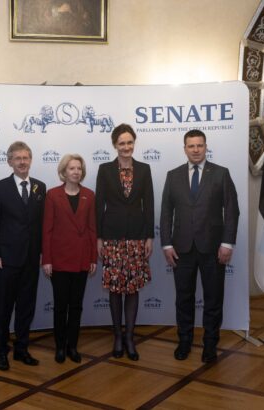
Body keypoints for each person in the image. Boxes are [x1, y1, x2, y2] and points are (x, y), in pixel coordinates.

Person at [160, 129, 239, 363]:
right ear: (184, 148)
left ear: (206, 147)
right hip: (181, 249)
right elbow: (165, 213)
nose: (196, 150)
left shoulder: (221, 174)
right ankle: (184, 342)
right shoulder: (173, 176)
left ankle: (210, 345)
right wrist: (166, 244)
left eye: (200, 145)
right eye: (191, 146)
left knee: (213, 299)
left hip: (213, 250)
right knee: (183, 299)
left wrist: (227, 243)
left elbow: (232, 210)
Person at [0, 141, 46, 371]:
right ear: (9, 161)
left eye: (26, 158)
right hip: (7, 260)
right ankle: (1, 351)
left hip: (31, 259)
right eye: (18, 158)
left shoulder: (41, 187)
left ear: (30, 160)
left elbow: (41, 225)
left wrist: (42, 253)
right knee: (4, 308)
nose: (22, 162)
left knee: (26, 307)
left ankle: (21, 349)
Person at [96, 123, 154, 361]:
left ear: (134, 143)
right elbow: (99, 204)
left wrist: (149, 236)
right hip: (112, 238)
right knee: (114, 289)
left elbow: (149, 204)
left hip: (137, 237)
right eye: (122, 143)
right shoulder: (105, 169)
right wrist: (98, 238)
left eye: (130, 142)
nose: (126, 147)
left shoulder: (144, 169)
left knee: (132, 288)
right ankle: (117, 336)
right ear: (114, 145)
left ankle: (130, 337)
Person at [42, 154, 97, 364]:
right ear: (63, 172)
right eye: (72, 168)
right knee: (60, 306)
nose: (76, 172)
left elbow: (92, 228)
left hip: (82, 259)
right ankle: (59, 347)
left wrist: (93, 257)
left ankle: (72, 346)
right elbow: (46, 230)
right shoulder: (52, 195)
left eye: (79, 168)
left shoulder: (89, 195)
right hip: (59, 260)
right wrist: (46, 260)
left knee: (76, 306)